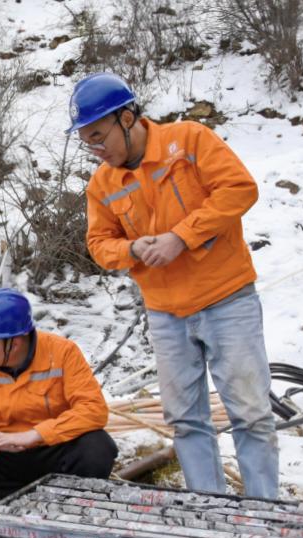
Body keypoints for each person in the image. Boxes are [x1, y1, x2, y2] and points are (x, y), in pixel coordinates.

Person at [70, 72, 278, 499]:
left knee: (251, 413)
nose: (95, 149)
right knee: (186, 421)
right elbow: (99, 245)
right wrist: (132, 249)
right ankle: (209, 511)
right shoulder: (103, 184)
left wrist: (182, 236)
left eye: (98, 136)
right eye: (86, 141)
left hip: (227, 300)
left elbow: (239, 189)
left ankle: (265, 510)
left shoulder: (189, 140)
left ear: (127, 118)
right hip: (165, 313)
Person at [0, 289, 117, 500]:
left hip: (55, 447)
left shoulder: (62, 352)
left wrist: (36, 435)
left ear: (13, 344)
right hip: (7, 453)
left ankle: (69, 500)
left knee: (98, 447)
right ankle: (21, 500)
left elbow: (93, 410)